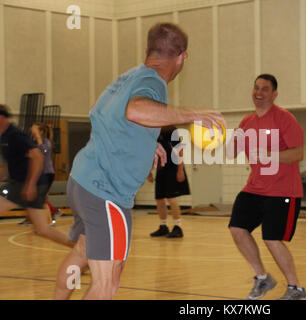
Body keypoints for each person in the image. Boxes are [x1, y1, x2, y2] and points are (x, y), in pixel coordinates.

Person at [53, 22, 225, 300]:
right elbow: (135, 110)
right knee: (107, 283)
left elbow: (101, 113)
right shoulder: (153, 82)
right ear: (182, 57)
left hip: (82, 181)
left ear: (148, 50)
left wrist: (145, 143)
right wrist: (192, 114)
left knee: (81, 253)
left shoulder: (128, 77)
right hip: (105, 193)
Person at [226, 74, 306, 300]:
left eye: (265, 89)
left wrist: (269, 154)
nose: (259, 93)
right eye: (256, 88)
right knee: (237, 229)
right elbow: (232, 152)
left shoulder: (285, 119)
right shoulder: (247, 122)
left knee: (271, 238)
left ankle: (295, 289)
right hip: (254, 188)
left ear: (274, 94)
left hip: (283, 190)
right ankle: (262, 278)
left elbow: (298, 153)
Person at [0, 104, 74, 248]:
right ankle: (81, 251)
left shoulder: (15, 135)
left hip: (25, 184)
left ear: (1, 117)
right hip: (21, 183)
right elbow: (8, 163)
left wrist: (30, 185)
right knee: (43, 230)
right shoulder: (5, 137)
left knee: (42, 229)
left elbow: (37, 156)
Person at [149, 125, 190, 238]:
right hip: (161, 168)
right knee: (159, 199)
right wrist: (149, 171)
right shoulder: (151, 130)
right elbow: (151, 152)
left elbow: (179, 150)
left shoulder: (170, 129)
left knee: (171, 198)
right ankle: (163, 226)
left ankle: (178, 227)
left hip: (173, 167)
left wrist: (180, 169)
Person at [19, 123, 57, 226]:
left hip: (47, 173)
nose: (32, 130)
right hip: (37, 174)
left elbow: (43, 151)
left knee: (40, 198)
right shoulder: (33, 142)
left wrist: (38, 138)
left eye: (35, 129)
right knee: (33, 198)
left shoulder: (46, 142)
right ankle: (33, 219)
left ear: (41, 132)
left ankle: (50, 220)